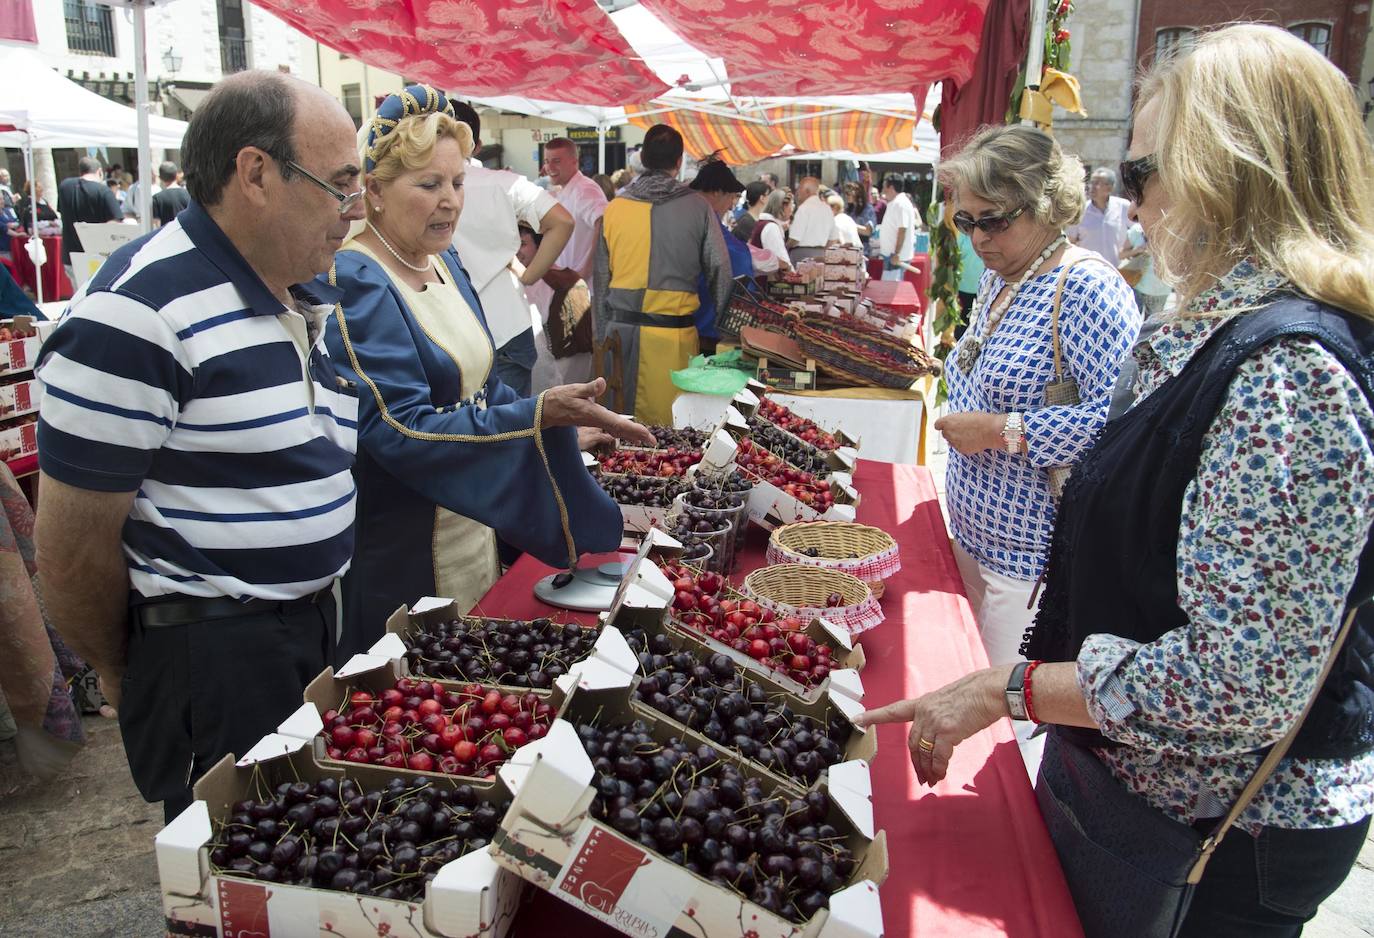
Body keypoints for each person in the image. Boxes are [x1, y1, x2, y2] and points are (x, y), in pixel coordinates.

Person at [862, 25, 1374, 937]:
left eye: (1141, 175)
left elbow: (1235, 683)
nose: (1129, 204)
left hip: (1214, 829)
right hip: (1141, 794)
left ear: (1230, 171)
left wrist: (1008, 689)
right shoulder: (1212, 328)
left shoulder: (1287, 372)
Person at [34, 70, 369, 822]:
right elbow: (70, 552)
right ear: (255, 174)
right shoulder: (136, 316)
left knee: (310, 851)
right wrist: (130, 670)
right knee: (238, 867)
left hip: (305, 630)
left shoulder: (295, 290)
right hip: (216, 659)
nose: (356, 209)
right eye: (340, 185)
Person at [325, 85, 648, 662]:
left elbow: (482, 385)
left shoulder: (445, 261)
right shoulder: (359, 279)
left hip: (474, 529)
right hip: (406, 552)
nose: (450, 202)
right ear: (372, 190)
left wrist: (556, 424)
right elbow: (398, 428)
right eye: (428, 185)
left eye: (456, 183)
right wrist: (533, 418)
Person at [931, 123, 1139, 675]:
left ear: (1045, 206)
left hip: (1029, 563)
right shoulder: (1005, 277)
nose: (978, 240)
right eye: (966, 222)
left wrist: (1002, 430)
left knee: (998, 723)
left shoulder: (1087, 289)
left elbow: (1120, 426)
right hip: (974, 539)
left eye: (993, 221)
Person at [593, 123, 731, 425]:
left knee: (621, 436)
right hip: (673, 343)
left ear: (643, 158)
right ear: (679, 162)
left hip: (620, 339)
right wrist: (725, 329)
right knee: (672, 437)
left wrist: (601, 340)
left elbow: (600, 281)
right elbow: (719, 268)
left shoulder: (614, 208)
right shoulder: (698, 208)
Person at [450, 102, 574, 398]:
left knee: (458, 432)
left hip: (450, 328)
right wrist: (530, 275)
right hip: (504, 321)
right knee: (509, 430)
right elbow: (563, 222)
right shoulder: (503, 183)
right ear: (477, 145)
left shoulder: (411, 186)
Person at [689, 159, 756, 355]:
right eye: (731, 197)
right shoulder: (701, 216)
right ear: (717, 192)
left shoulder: (696, 212)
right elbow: (733, 256)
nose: (731, 205)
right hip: (703, 325)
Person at [521, 224, 593, 394]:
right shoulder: (570, 275)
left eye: (523, 244)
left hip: (556, 378)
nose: (516, 251)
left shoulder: (538, 281)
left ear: (540, 246)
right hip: (581, 371)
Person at [543, 137, 607, 287]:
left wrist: (586, 271)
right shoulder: (566, 189)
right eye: (546, 161)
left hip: (584, 290)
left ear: (574, 162)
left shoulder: (584, 189)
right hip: (570, 286)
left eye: (556, 161)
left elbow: (604, 222)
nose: (549, 167)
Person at [56, 157, 121, 264]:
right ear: (100, 171)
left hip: (71, 256)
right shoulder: (103, 191)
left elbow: (61, 211)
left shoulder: (64, 187)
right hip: (97, 256)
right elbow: (114, 223)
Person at [1066, 167, 1131, 266]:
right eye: (1091, 182)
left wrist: (1130, 249)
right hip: (1089, 272)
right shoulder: (1080, 211)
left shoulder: (1123, 206)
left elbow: (1139, 230)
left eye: (1097, 183)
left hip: (1117, 271)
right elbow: (1071, 242)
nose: (1092, 186)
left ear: (1109, 188)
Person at [1119, 221, 1170, 319]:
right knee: (1131, 321)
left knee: (1151, 329)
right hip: (1136, 286)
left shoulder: (1170, 231)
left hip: (1160, 291)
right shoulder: (1137, 230)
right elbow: (1121, 254)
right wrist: (1137, 251)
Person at [877, 173, 916, 281]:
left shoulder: (901, 203)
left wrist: (897, 253)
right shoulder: (896, 202)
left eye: (885, 187)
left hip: (895, 258)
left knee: (890, 291)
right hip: (892, 256)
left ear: (891, 188)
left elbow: (902, 229)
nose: (883, 191)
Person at [788, 175, 838, 258]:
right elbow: (833, 238)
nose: (797, 193)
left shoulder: (804, 208)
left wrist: (786, 247)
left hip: (801, 254)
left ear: (807, 191)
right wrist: (823, 253)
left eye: (799, 189)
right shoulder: (827, 208)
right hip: (821, 254)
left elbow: (795, 238)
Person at [750, 187, 793, 272]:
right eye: (791, 205)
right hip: (766, 282)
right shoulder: (771, 227)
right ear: (783, 206)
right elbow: (782, 261)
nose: (792, 210)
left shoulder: (764, 223)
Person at [955, 227, 986, 336]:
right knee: (967, 316)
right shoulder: (986, 234)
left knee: (968, 317)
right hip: (970, 284)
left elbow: (956, 255)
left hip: (977, 284)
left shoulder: (963, 234)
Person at [149, 161, 190, 229]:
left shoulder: (156, 198)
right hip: (186, 235)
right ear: (177, 175)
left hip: (167, 236)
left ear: (160, 178)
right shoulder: (188, 194)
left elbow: (157, 223)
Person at [843, 180, 877, 253]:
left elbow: (868, 231)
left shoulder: (868, 209)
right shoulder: (848, 209)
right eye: (845, 193)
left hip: (862, 250)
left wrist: (850, 225)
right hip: (848, 249)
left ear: (858, 194)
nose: (846, 196)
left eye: (849, 193)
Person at [732, 180, 768, 244]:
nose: (769, 198)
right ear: (762, 198)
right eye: (768, 195)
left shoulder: (759, 219)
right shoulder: (746, 221)